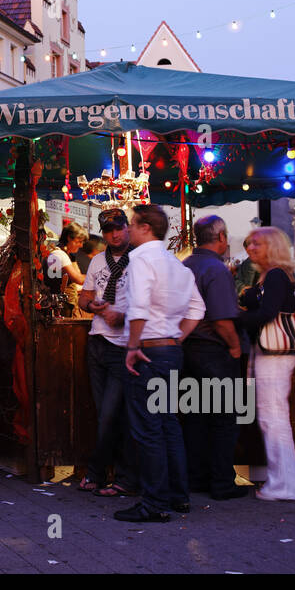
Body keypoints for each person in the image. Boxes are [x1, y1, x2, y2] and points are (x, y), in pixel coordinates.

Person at [113, 205, 205, 523]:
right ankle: (178, 496)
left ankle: (154, 502)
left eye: (132, 225)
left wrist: (133, 346)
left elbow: (138, 307)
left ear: (145, 228)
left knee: (149, 429)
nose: (127, 231)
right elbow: (197, 309)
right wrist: (176, 337)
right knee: (168, 425)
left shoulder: (140, 260)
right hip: (170, 351)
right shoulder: (177, 265)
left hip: (149, 352)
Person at [181, 215, 250, 500]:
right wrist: (235, 347)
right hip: (214, 352)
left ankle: (197, 477)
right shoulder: (216, 269)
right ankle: (222, 482)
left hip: (187, 351)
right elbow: (222, 319)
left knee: (194, 419)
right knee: (223, 420)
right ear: (220, 237)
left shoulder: (185, 265)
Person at [239, 227, 295, 502]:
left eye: (257, 244)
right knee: (272, 416)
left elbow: (267, 313)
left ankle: (283, 485)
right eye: (249, 244)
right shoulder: (272, 275)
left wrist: (232, 318)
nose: (250, 248)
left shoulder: (276, 275)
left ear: (272, 247)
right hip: (271, 352)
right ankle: (286, 482)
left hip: (274, 353)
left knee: (272, 417)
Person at [76, 210, 136, 496]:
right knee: (105, 413)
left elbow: (151, 303)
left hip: (122, 345)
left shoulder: (139, 259)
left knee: (112, 414)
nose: (114, 234)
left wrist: (123, 316)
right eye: (108, 230)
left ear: (128, 227)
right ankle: (116, 476)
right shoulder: (98, 260)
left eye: (118, 228)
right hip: (97, 342)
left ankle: (103, 473)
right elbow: (84, 296)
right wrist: (92, 307)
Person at [46, 222, 88, 297]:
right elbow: (79, 279)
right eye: (79, 242)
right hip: (60, 304)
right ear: (69, 238)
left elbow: (75, 282)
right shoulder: (59, 254)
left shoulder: (67, 255)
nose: (81, 245)